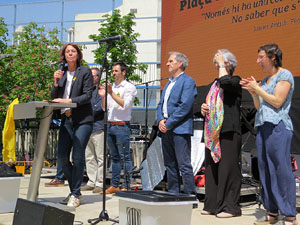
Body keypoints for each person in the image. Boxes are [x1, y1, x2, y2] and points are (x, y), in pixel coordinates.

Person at [240, 43, 297, 225]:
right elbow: (260, 107)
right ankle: (272, 211)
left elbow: (278, 102)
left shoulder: (284, 75)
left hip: (278, 126)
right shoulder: (265, 81)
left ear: (273, 57)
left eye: (261, 57)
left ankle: (289, 215)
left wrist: (258, 89)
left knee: (281, 171)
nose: (258, 61)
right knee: (265, 170)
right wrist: (254, 93)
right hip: (263, 127)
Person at [199, 49, 242, 218]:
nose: (217, 65)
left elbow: (226, 82)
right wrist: (202, 108)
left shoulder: (235, 81)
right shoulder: (213, 85)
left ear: (228, 64)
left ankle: (230, 207)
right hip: (212, 132)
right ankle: (212, 204)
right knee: (211, 168)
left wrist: (223, 65)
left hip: (229, 130)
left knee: (228, 168)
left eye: (221, 62)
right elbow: (205, 103)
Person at [51, 43, 93, 207]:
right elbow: (54, 96)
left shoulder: (85, 72)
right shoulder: (61, 73)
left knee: (77, 156)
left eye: (73, 51)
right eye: (67, 51)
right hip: (66, 119)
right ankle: (75, 190)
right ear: (64, 55)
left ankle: (75, 193)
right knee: (62, 157)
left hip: (82, 120)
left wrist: (67, 101)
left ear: (78, 54)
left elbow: (87, 96)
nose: (70, 53)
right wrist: (55, 83)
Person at [156, 51, 197, 196]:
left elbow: (185, 106)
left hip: (179, 128)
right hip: (166, 128)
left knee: (183, 164)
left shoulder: (188, 81)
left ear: (180, 63)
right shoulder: (168, 84)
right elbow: (160, 104)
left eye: (170, 61)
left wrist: (169, 123)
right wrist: (161, 120)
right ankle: (173, 193)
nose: (167, 64)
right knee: (169, 164)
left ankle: (189, 195)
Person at [98, 62, 137, 194]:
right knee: (114, 157)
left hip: (122, 126)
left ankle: (126, 185)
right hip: (110, 125)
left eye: (116, 71)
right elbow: (104, 107)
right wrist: (104, 96)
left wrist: (111, 93)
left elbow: (125, 105)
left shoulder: (129, 87)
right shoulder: (112, 87)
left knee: (124, 157)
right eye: (113, 71)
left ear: (123, 72)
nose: (113, 73)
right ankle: (114, 184)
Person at [80, 67, 105, 193]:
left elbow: (99, 108)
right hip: (86, 127)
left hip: (98, 127)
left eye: (93, 75)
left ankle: (100, 183)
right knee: (89, 157)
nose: (90, 77)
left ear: (98, 77)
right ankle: (91, 181)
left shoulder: (101, 91)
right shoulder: (86, 91)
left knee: (100, 157)